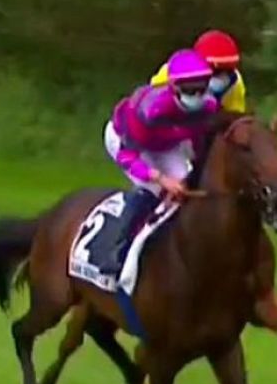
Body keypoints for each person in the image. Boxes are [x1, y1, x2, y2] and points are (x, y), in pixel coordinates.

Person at [101, 49, 220, 265]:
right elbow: (128, 157)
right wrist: (161, 179)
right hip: (126, 142)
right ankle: (119, 249)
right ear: (174, 86)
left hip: (166, 144)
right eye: (190, 90)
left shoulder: (208, 106)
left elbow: (196, 139)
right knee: (153, 189)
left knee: (186, 182)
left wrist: (194, 163)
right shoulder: (148, 110)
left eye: (202, 89)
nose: (197, 96)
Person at [151, 29, 247, 112]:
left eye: (227, 71)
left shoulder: (235, 83)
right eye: (215, 71)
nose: (221, 77)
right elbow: (150, 102)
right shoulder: (172, 72)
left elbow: (235, 115)